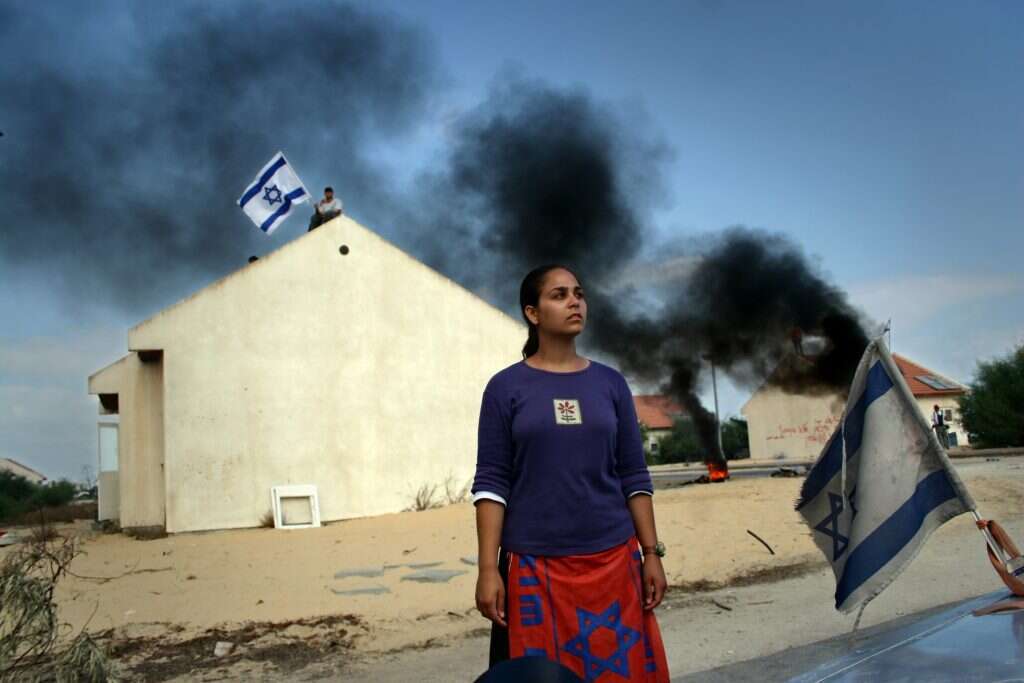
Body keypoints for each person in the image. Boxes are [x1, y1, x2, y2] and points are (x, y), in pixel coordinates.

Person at [473, 265, 670, 682]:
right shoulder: (505, 388)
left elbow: (634, 475)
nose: (574, 301)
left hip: (614, 563)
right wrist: (488, 569)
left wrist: (651, 554)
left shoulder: (610, 384)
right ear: (533, 312)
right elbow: (492, 484)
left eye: (578, 293)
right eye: (559, 295)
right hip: (535, 571)